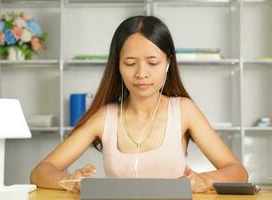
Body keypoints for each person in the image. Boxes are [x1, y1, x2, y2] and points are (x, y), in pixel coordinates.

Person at [30, 15, 248, 193]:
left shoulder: (183, 110)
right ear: (117, 66)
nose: (141, 73)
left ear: (168, 63)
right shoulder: (105, 116)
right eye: (130, 63)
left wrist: (204, 180)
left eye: (153, 62)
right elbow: (41, 171)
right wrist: (70, 180)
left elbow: (237, 172)